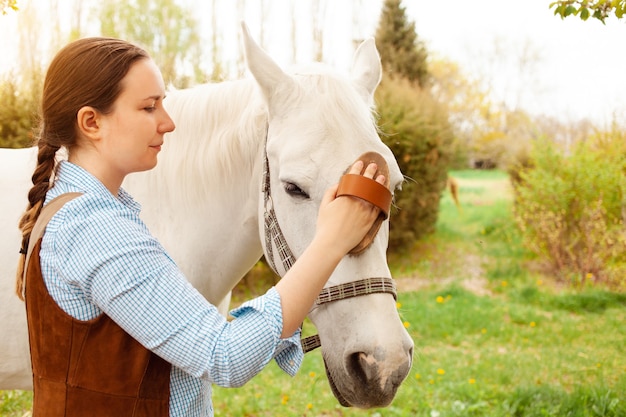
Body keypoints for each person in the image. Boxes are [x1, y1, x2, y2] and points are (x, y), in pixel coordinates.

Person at [15, 37, 385, 417]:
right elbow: (223, 355)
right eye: (149, 107)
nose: (169, 122)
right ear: (91, 122)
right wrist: (330, 241)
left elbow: (176, 340)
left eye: (163, 103)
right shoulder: (97, 229)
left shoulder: (87, 208)